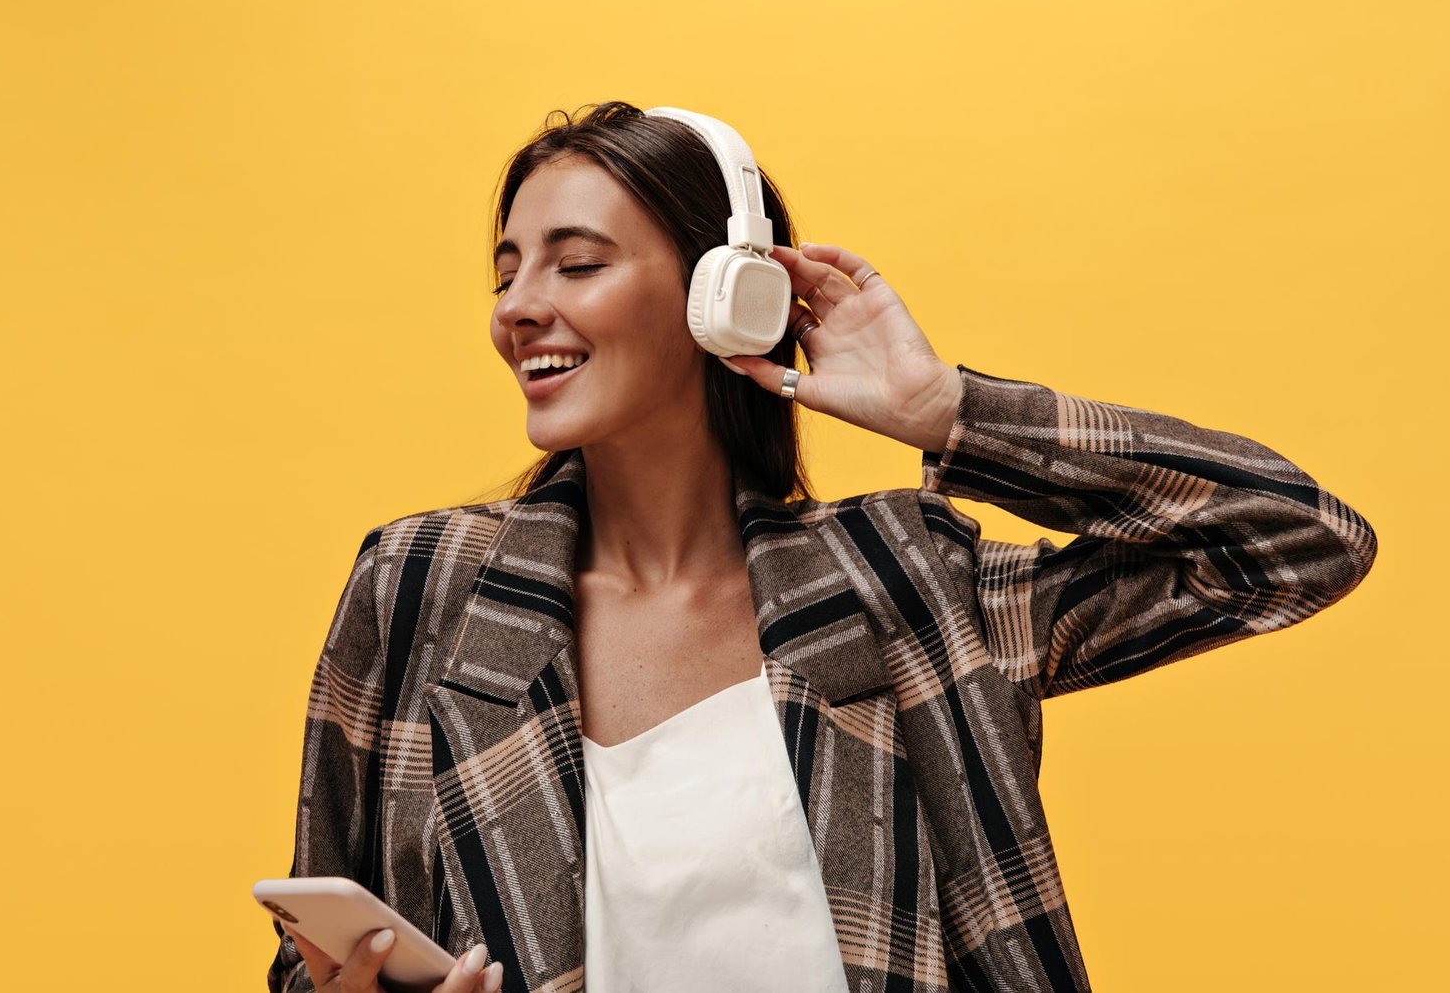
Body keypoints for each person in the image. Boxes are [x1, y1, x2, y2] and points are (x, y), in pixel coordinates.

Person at [266, 101, 1378, 993]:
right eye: (505, 270)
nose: (517, 306)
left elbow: (1296, 542)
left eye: (575, 263)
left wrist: (946, 411)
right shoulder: (420, 591)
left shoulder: (903, 585)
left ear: (722, 297)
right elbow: (312, 955)